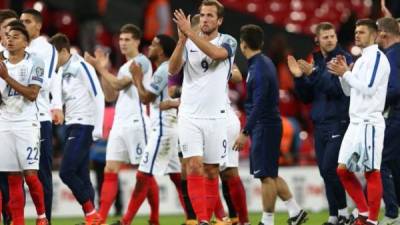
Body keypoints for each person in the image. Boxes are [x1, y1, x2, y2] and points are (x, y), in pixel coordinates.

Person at [169, 1, 237, 224]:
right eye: (202, 14)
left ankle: (207, 216)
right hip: (189, 114)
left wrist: (189, 33)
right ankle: (202, 220)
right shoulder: (188, 40)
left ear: (219, 20)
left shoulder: (228, 41)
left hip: (217, 117)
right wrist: (181, 40)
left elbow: (217, 54)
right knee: (194, 165)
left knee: (211, 170)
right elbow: (172, 69)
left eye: (210, 15)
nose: (205, 19)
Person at [233, 24, 307, 225]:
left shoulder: (257, 68)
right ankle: (295, 211)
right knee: (271, 174)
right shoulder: (264, 63)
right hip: (269, 124)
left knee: (265, 177)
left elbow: (258, 104)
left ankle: (267, 221)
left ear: (243, 44)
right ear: (261, 43)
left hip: (264, 126)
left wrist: (245, 131)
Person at [84, 24, 157, 224]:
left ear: (137, 41)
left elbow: (118, 84)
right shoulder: (124, 66)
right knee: (110, 169)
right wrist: (104, 70)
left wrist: (100, 68)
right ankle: (101, 218)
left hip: (137, 122)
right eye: (121, 39)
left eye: (127, 39)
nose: (123, 43)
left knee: (144, 173)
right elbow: (110, 94)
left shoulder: (141, 61)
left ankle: (155, 217)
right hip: (119, 123)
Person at [110, 34, 184, 225]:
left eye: (153, 45)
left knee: (143, 175)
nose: (149, 47)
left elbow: (145, 98)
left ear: (161, 50)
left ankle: (126, 221)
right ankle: (195, 219)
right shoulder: (164, 69)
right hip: (166, 128)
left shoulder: (162, 71)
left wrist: (136, 78)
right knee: (178, 178)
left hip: (163, 129)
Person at [327, 19, 390, 225]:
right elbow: (350, 91)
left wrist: (346, 73)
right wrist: (342, 75)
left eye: (362, 32)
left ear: (374, 35)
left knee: (371, 170)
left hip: (370, 122)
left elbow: (370, 88)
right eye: (356, 31)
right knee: (342, 170)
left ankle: (371, 220)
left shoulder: (378, 58)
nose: (357, 35)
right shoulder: (361, 59)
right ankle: (363, 211)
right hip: (355, 124)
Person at [287, 22, 351, 225]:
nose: (330, 39)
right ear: (317, 40)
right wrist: (298, 78)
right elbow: (306, 97)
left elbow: (337, 91)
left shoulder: (343, 59)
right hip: (320, 124)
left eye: (332, 36)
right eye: (326, 37)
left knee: (330, 169)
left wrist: (313, 73)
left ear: (336, 38)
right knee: (325, 172)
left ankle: (345, 213)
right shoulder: (315, 61)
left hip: (338, 121)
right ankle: (334, 216)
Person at [49, 33, 105, 225]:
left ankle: (91, 214)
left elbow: (98, 95)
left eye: (53, 56)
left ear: (64, 51)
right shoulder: (61, 72)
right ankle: (93, 218)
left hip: (84, 124)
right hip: (71, 125)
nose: (51, 61)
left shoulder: (82, 66)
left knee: (66, 172)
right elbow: (57, 98)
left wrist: (98, 127)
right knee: (82, 174)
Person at [0, 24, 47, 225]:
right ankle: (18, 222)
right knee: (12, 176)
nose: (10, 40)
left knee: (30, 175)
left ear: (26, 43)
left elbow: (32, 94)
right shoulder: (1, 63)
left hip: (27, 124)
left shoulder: (35, 62)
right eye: (8, 36)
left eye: (16, 36)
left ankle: (42, 217)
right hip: (4, 123)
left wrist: (6, 77)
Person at [20, 9, 62, 223]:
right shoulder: (13, 47)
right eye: (20, 21)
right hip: (15, 119)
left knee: (41, 173)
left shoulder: (46, 49)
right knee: (12, 174)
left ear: (38, 26)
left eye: (27, 21)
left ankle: (47, 220)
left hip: (39, 118)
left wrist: (57, 105)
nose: (22, 25)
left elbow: (44, 82)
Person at [375, 17, 400, 225]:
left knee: (381, 160)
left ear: (383, 34)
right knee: (395, 162)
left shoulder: (391, 55)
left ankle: (392, 212)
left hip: (397, 116)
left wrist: (374, 101)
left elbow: (395, 89)